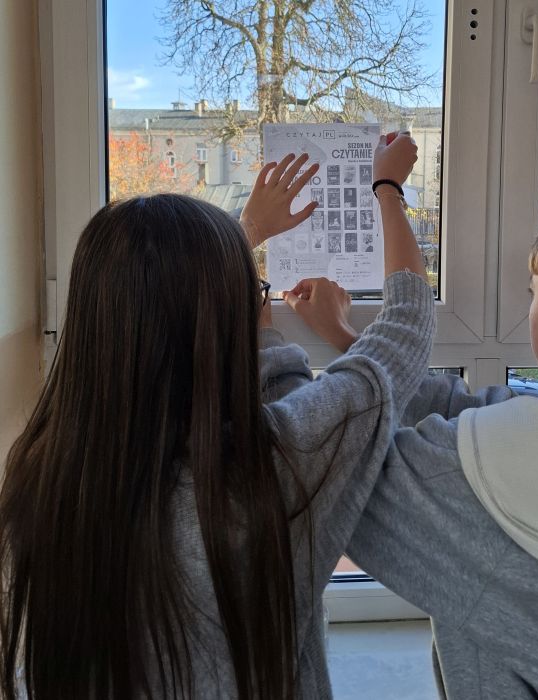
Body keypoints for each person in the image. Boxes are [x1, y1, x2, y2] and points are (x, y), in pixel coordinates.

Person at [0, 135, 435, 699]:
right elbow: (404, 331)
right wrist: (388, 188)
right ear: (220, 327)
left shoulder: (42, 482)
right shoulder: (262, 473)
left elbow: (152, 293)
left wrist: (243, 239)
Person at [274, 201, 538, 698]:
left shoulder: (477, 486)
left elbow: (324, 461)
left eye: (533, 295)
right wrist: (349, 339)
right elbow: (464, 406)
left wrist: (266, 345)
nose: (528, 311)